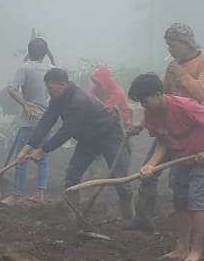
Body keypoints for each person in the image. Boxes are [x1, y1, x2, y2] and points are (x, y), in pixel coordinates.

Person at [129, 24, 204, 232]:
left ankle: (186, 225)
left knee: (182, 181)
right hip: (168, 129)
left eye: (172, 45)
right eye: (168, 46)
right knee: (148, 172)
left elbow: (201, 93)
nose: (169, 50)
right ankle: (144, 221)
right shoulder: (172, 66)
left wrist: (180, 73)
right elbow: (158, 99)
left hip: (194, 131)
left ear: (185, 43)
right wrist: (141, 124)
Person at [129, 73, 204, 261]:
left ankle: (195, 251)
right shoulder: (151, 113)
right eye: (140, 102)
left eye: (145, 101)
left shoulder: (184, 106)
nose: (143, 106)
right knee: (180, 202)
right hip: (182, 157)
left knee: (197, 203)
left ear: (158, 94)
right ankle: (181, 248)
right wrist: (151, 165)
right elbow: (162, 141)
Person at [15, 68, 134, 221]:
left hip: (110, 135)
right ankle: (73, 215)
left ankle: (130, 220)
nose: (48, 91)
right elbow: (45, 123)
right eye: (47, 87)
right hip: (88, 139)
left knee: (120, 178)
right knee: (72, 174)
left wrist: (43, 150)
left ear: (63, 84)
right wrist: (26, 149)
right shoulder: (57, 99)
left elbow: (67, 131)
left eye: (50, 87)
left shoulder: (79, 100)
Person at [3, 38, 54, 203]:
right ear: (45, 53)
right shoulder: (54, 69)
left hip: (29, 119)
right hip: (47, 119)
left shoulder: (24, 68)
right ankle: (40, 194)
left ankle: (17, 193)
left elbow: (11, 89)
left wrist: (25, 104)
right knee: (43, 156)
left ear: (29, 51)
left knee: (21, 155)